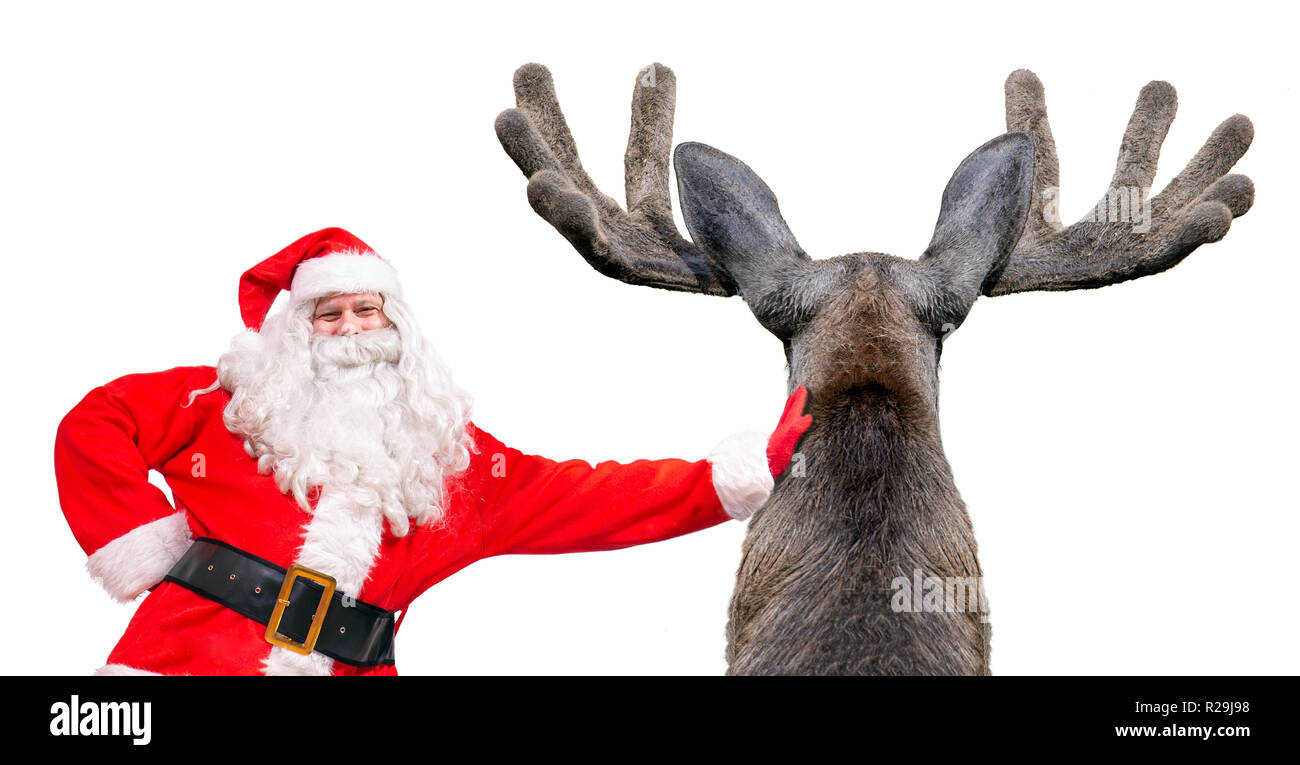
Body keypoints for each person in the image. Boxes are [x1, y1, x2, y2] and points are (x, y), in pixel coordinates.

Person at [54, 227, 812, 676]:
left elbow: (591, 497)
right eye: (328, 314)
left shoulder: (457, 465)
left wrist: (728, 477)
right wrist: (145, 544)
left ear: (396, 326)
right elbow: (96, 422)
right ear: (296, 330)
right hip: (180, 658)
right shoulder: (230, 404)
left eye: (366, 309)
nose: (351, 329)